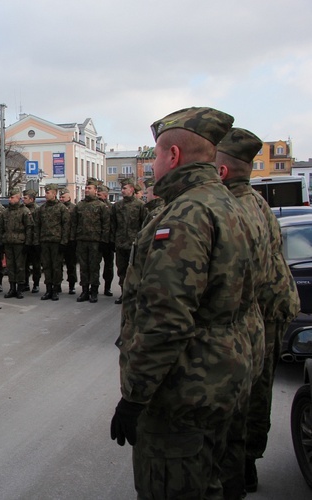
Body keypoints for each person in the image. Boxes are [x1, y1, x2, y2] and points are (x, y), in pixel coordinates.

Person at [110, 106, 256, 499]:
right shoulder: (228, 203)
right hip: (221, 374)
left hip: (185, 388)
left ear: (172, 157)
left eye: (155, 155)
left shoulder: (187, 214)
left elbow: (166, 321)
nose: (152, 165)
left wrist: (134, 396)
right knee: (209, 481)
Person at [216, 127, 300, 495]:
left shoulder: (235, 205)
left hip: (263, 309)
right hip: (273, 304)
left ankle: (243, 466)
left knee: (249, 392)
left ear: (221, 171)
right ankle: (247, 463)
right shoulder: (252, 198)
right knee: (257, 389)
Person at [70, 178, 110, 303]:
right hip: (82, 240)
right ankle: (85, 290)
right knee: (83, 267)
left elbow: (106, 225)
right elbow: (74, 223)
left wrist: (104, 241)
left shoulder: (101, 206)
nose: (87, 190)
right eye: (86, 188)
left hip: (95, 241)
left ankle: (94, 291)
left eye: (89, 188)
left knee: (94, 267)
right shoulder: (79, 205)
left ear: (95, 190)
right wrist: (73, 240)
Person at [110, 178, 147, 304]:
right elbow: (113, 224)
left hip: (134, 243)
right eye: (122, 188)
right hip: (120, 243)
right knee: (121, 270)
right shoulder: (117, 206)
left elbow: (144, 224)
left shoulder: (140, 205)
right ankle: (123, 293)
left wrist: (141, 241)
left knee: (135, 270)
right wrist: (113, 241)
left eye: (125, 188)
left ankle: (135, 294)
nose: (122, 191)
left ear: (131, 189)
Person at [0, 188, 34, 299]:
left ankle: (20, 288)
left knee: (20, 266)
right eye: (9, 197)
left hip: (20, 242)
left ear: (19, 198)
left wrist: (28, 243)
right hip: (8, 242)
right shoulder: (5, 212)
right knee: (10, 266)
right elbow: (0, 227)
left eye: (12, 197)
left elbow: (29, 228)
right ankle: (12, 287)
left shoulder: (25, 211)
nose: (10, 199)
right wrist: (1, 240)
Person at [36, 184, 70, 301]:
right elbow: (38, 226)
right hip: (45, 241)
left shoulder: (61, 208)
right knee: (46, 266)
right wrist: (37, 242)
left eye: (48, 192)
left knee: (56, 266)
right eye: (45, 192)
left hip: (57, 241)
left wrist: (64, 242)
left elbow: (66, 226)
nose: (46, 195)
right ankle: (48, 289)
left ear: (54, 194)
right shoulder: (42, 209)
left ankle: (56, 289)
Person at [96, 183, 115, 297]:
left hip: (108, 241)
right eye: (97, 194)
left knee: (108, 266)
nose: (98, 196)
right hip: (97, 240)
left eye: (100, 194)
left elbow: (114, 224)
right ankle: (94, 287)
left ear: (105, 195)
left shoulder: (112, 208)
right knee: (94, 265)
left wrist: (112, 241)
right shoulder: (95, 206)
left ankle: (107, 287)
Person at [22, 189, 41, 294]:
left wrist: (37, 242)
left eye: (25, 198)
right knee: (25, 264)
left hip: (35, 242)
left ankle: (36, 284)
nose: (23, 200)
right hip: (25, 241)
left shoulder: (37, 210)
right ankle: (25, 283)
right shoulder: (23, 209)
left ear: (32, 199)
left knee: (36, 265)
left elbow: (38, 227)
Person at [59, 187, 77, 295]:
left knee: (71, 265)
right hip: (60, 240)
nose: (61, 199)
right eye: (60, 197)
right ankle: (58, 284)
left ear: (69, 197)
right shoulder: (58, 208)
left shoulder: (74, 208)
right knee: (58, 265)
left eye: (63, 197)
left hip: (70, 241)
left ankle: (72, 285)